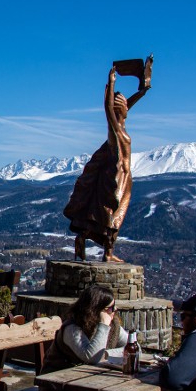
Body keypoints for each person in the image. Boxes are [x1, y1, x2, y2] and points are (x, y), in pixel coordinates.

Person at [64, 56, 152, 263]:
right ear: (119, 110)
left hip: (122, 178)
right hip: (113, 180)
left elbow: (124, 106)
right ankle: (103, 251)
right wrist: (111, 84)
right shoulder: (116, 132)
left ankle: (103, 251)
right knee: (110, 218)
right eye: (122, 106)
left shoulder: (121, 127)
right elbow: (108, 110)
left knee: (113, 218)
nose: (126, 108)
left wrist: (142, 91)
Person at [39, 286, 128, 391]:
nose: (114, 310)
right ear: (97, 310)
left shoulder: (113, 326)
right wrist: (104, 325)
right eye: (110, 308)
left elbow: (133, 349)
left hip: (87, 382)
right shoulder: (72, 328)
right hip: (56, 386)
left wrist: (106, 354)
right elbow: (92, 357)